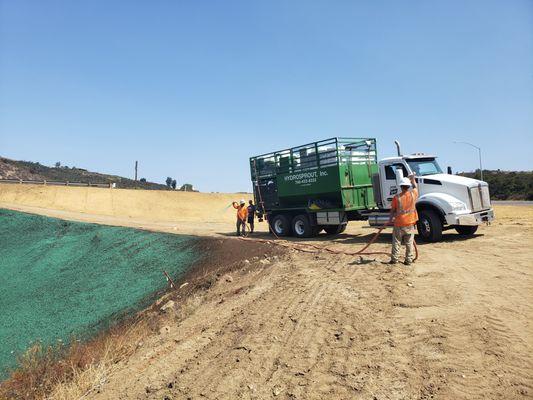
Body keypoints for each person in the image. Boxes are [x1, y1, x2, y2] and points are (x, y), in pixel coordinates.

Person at [389, 173, 418, 265]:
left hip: (399, 223)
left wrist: (390, 220)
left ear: (401, 186)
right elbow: (415, 186)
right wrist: (413, 179)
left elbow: (392, 210)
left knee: (397, 242)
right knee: (409, 243)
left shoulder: (396, 198)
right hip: (410, 223)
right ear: (408, 186)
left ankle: (394, 259)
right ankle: (408, 260)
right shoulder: (413, 194)